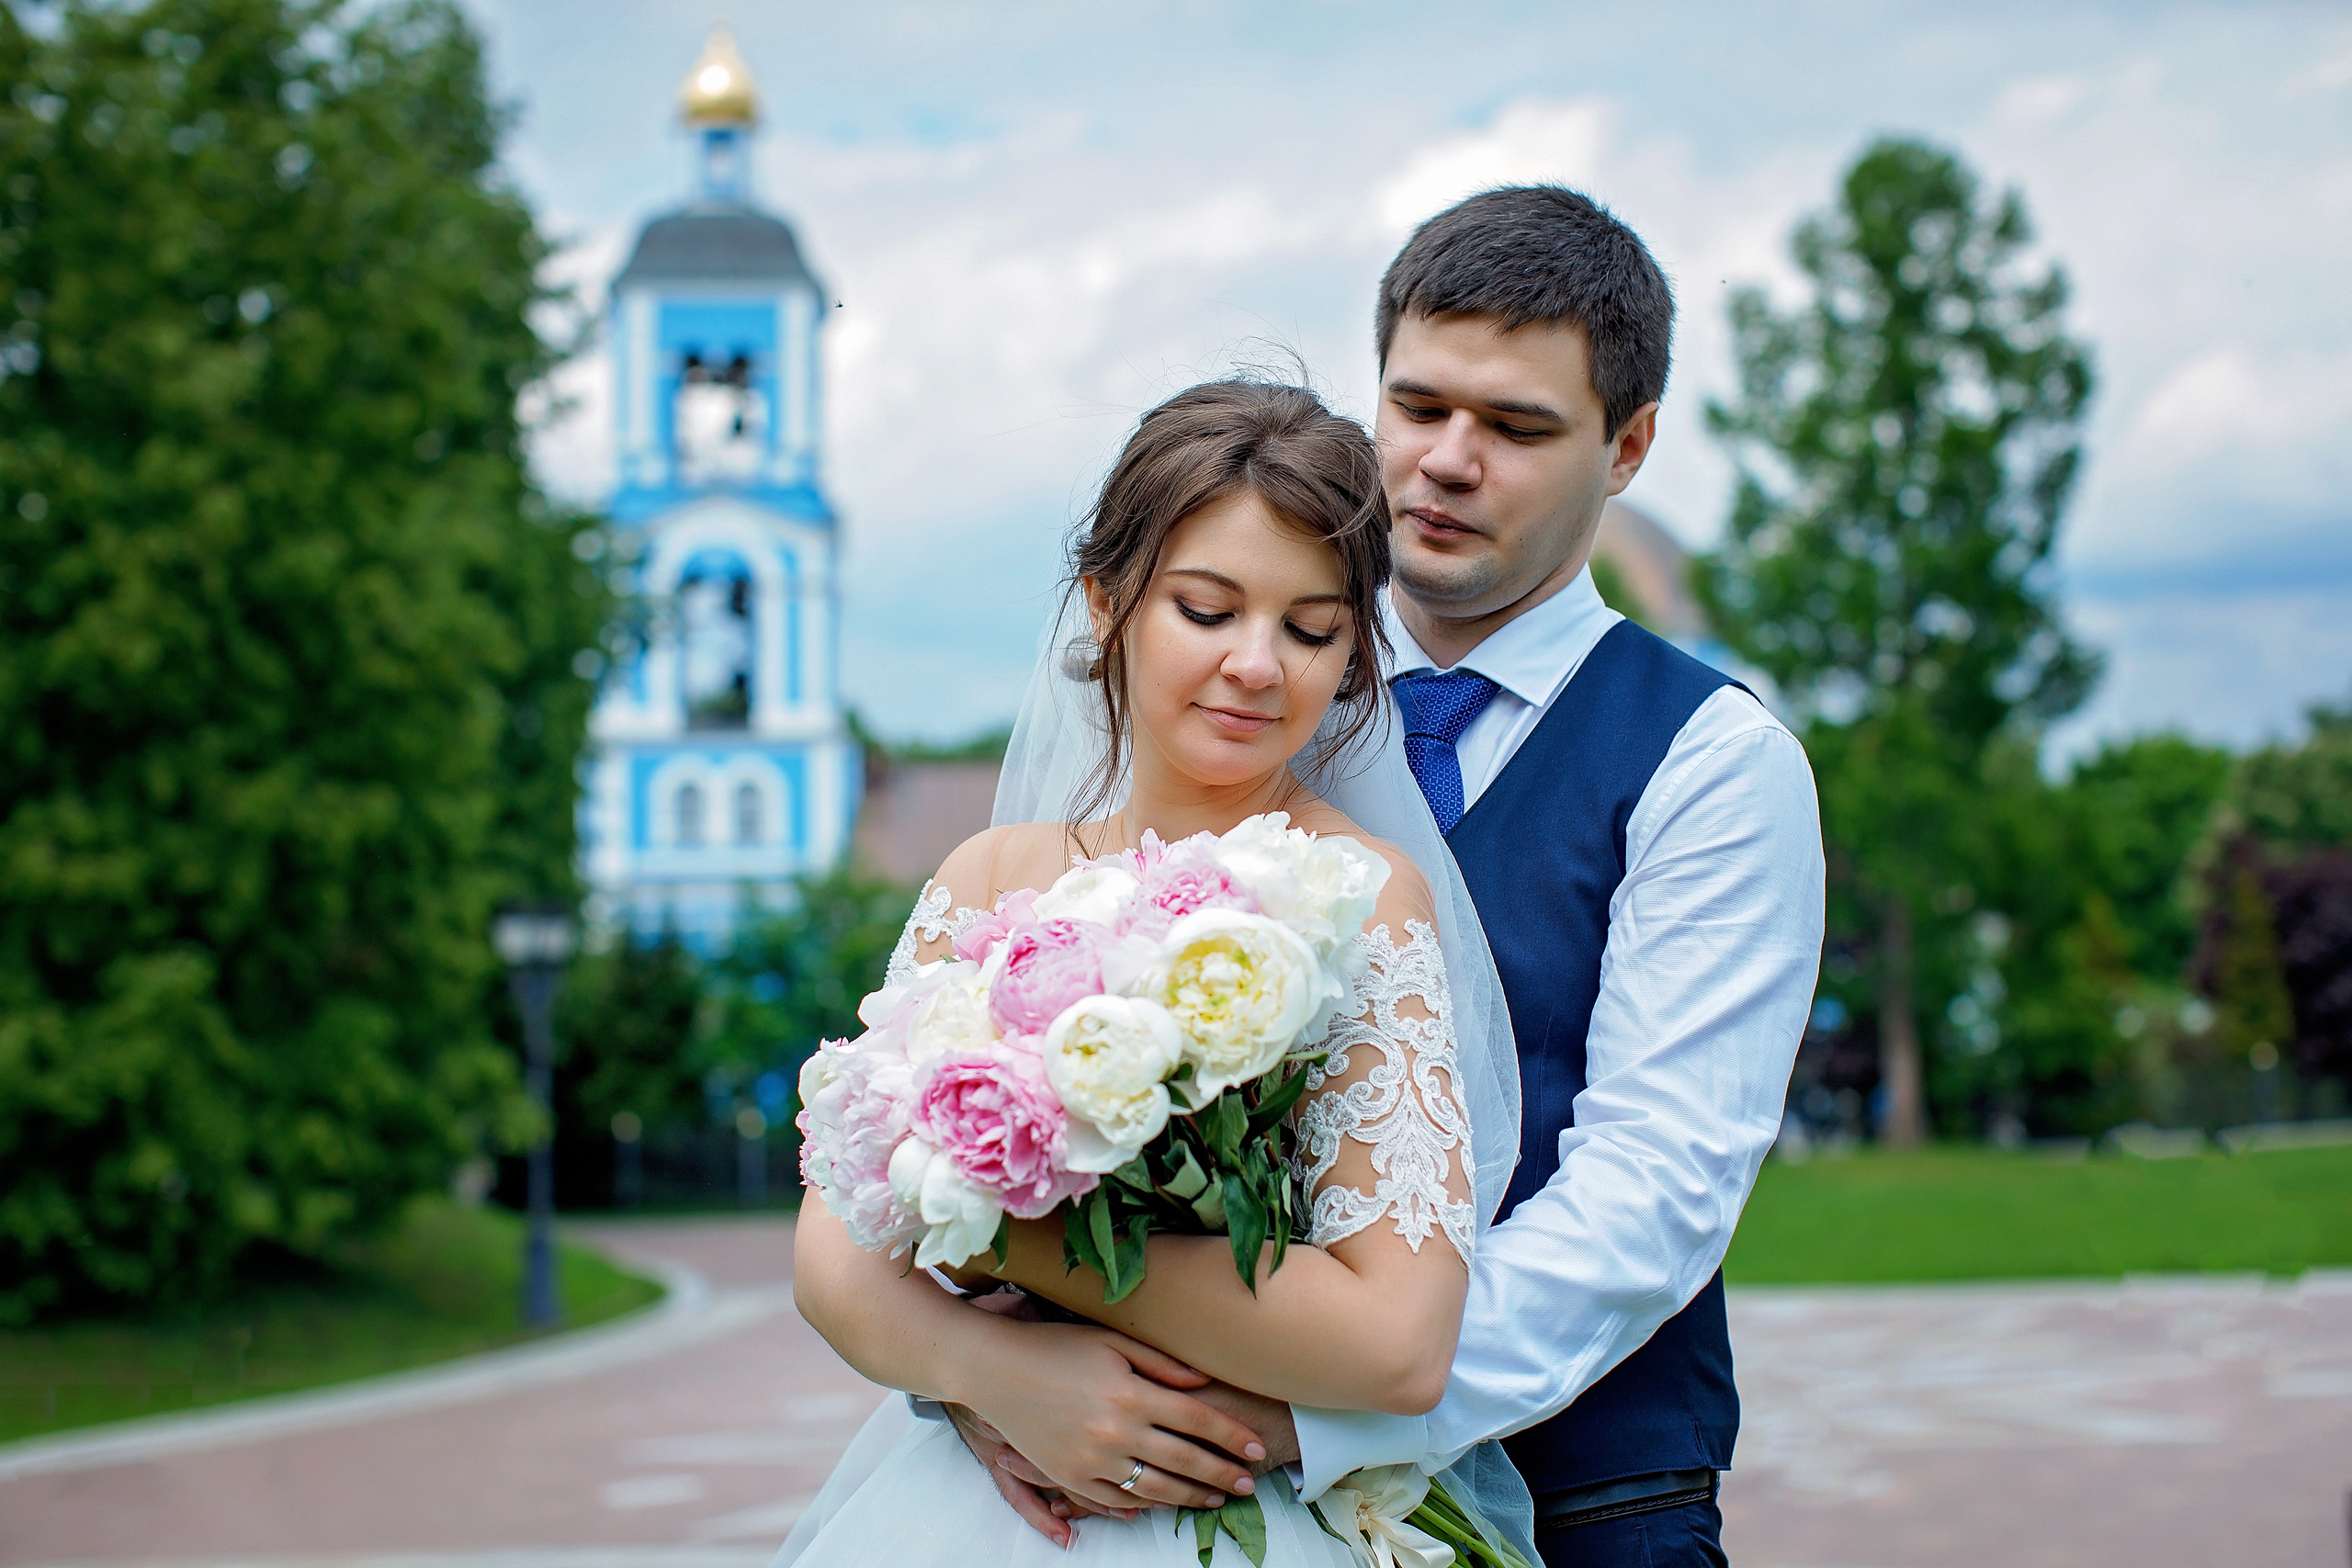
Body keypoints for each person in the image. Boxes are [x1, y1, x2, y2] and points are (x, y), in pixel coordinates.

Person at [920, 186, 1827, 1568]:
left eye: (1517, 427)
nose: (1446, 463)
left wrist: (1297, 1411)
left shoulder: (1711, 760)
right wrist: (997, 1378)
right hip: (1121, 1484)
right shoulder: (1241, 701)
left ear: (1629, 446)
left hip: (1586, 1501)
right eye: (1417, 406)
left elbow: (1657, 1182)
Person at [778, 378, 1532, 1564]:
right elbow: (834, 1250)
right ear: (1107, 599)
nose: (1256, 664)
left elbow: (1398, 1342)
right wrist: (992, 1376)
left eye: (1312, 629)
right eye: (1207, 609)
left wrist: (1001, 1238)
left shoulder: (1359, 894)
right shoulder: (990, 877)